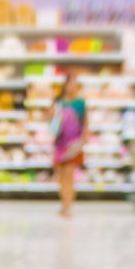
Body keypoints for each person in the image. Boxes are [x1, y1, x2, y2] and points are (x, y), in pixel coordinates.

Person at [51, 75, 87, 217]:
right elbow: (50, 118)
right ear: (65, 85)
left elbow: (85, 121)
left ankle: (68, 206)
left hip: (74, 142)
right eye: (70, 84)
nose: (72, 87)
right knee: (60, 175)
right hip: (60, 141)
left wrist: (84, 138)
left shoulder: (80, 103)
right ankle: (63, 203)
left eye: (75, 84)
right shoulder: (58, 102)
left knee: (69, 174)